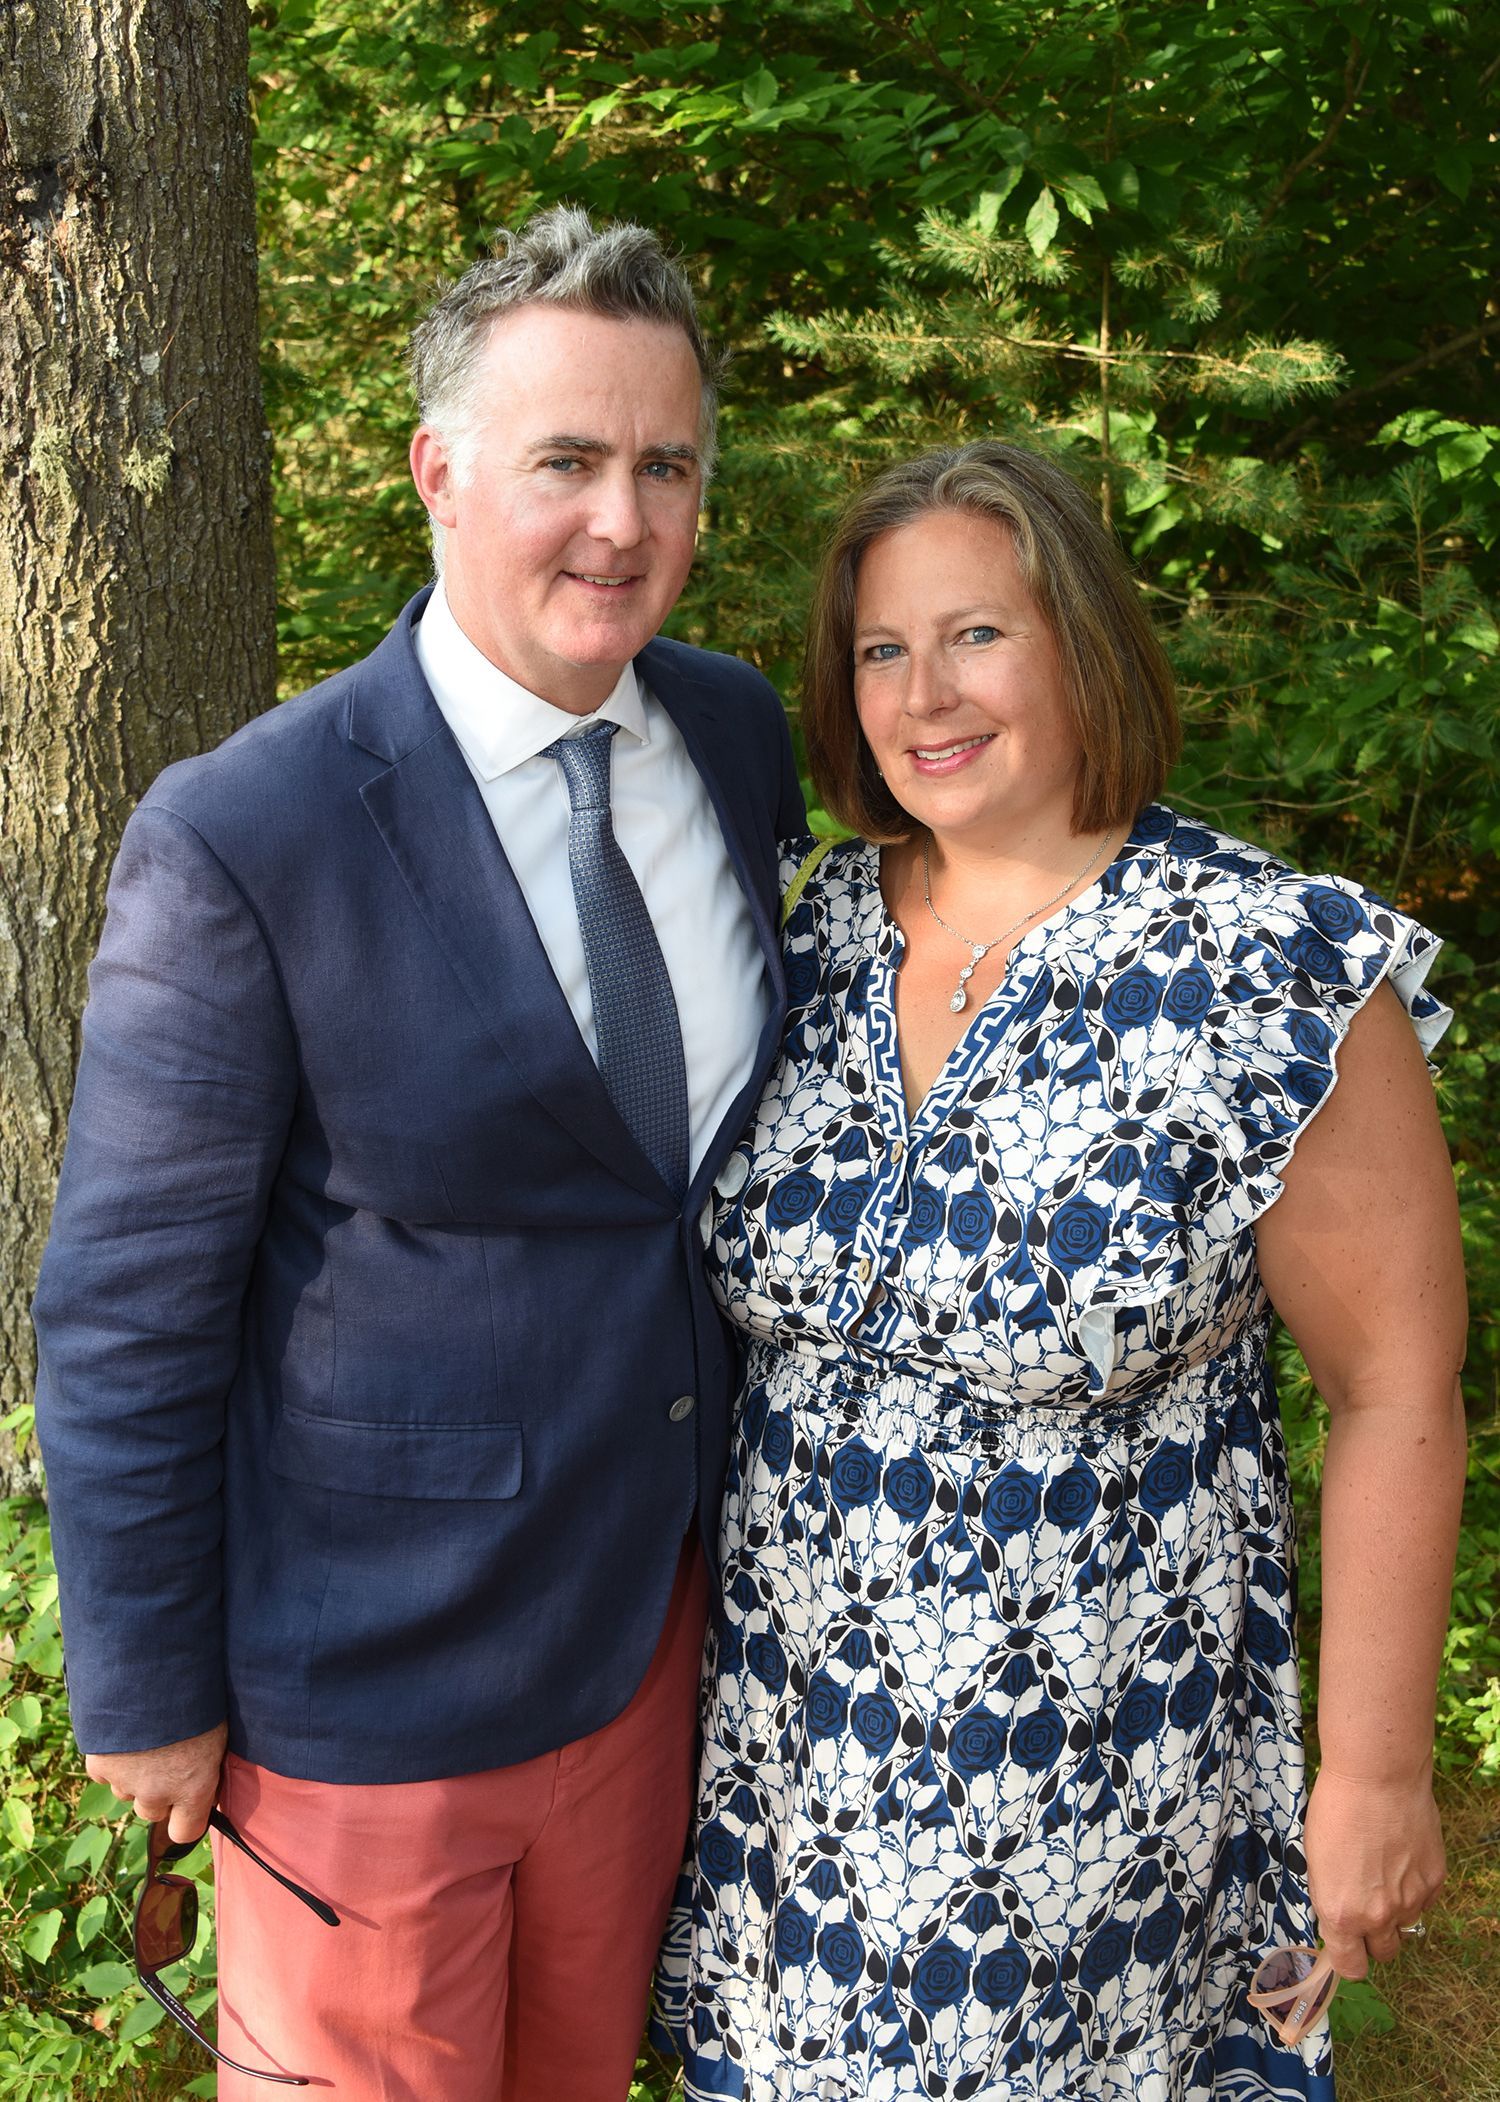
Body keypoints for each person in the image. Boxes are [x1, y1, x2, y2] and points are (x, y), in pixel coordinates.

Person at [33, 206, 803, 2100]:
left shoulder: (731, 732)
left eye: (665, 465)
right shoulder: (250, 830)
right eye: (566, 461)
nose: (621, 519)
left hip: (649, 1645)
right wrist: (148, 1694)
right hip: (362, 1693)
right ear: (440, 472)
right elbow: (129, 1305)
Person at [659, 440, 1467, 2100]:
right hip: (791, 1775)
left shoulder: (1271, 964)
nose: (923, 693)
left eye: (977, 635)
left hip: (1091, 1787)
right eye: (883, 648)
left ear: (1082, 641)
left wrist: (1375, 1769)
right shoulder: (803, 926)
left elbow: (1396, 1388)